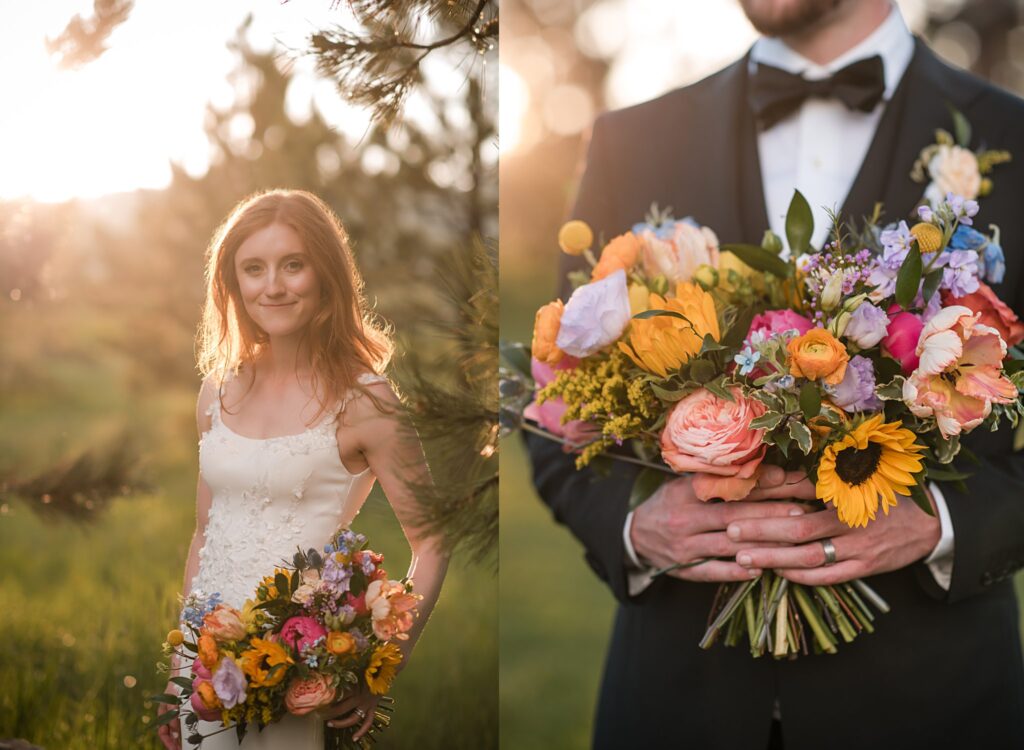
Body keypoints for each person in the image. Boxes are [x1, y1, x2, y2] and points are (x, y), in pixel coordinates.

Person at [526, 1, 1024, 748]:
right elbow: (553, 400)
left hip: (934, 707)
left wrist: (944, 525)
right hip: (674, 706)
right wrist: (631, 525)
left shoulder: (1011, 137)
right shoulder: (632, 139)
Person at [157, 189, 448, 749]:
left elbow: (434, 541)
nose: (273, 285)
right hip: (209, 668)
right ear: (233, 283)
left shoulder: (366, 400)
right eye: (254, 268)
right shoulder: (218, 389)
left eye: (293, 264)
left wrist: (381, 670)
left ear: (326, 274)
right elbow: (205, 533)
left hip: (300, 669)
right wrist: (181, 663)